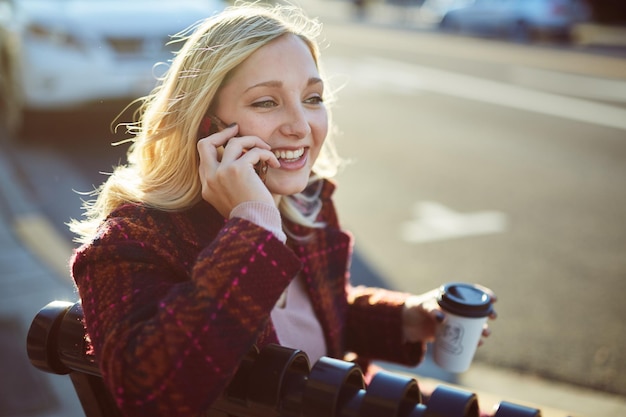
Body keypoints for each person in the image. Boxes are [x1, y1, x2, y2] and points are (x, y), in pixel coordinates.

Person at [69, 3, 495, 417]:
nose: (300, 125)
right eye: (266, 103)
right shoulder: (130, 242)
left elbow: (319, 317)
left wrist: (407, 318)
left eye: (312, 97)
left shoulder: (303, 206)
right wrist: (253, 227)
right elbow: (153, 394)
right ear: (206, 125)